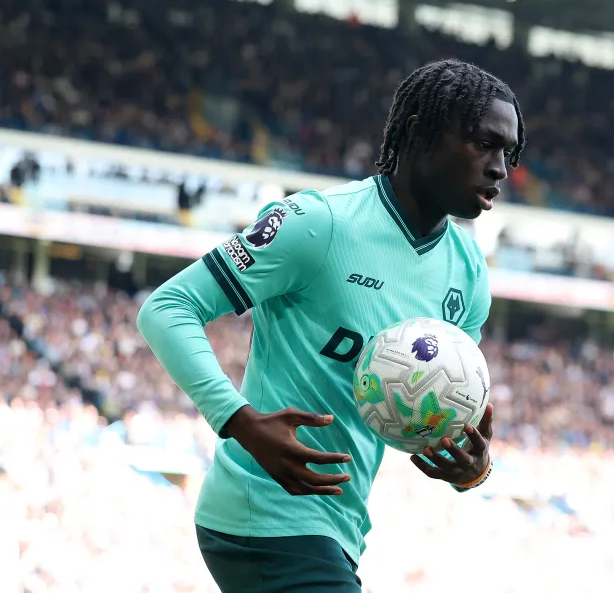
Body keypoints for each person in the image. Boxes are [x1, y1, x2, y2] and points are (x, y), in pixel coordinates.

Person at [137, 59, 525, 592]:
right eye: (484, 144)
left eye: (509, 152)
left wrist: (472, 467)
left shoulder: (468, 273)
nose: (501, 167)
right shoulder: (318, 223)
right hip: (262, 516)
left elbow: (441, 418)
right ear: (420, 133)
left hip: (337, 531)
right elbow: (168, 307)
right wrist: (241, 422)